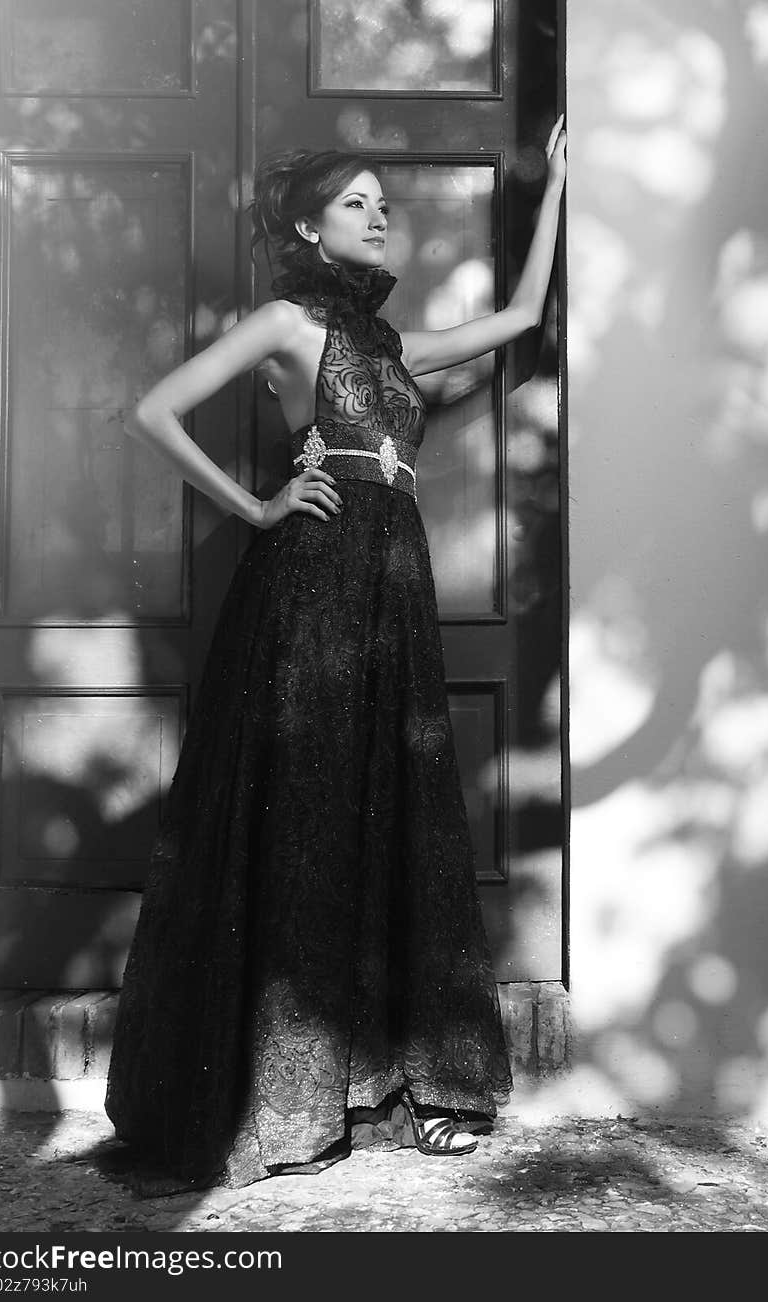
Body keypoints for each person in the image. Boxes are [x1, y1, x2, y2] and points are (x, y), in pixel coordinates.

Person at [104, 114, 567, 1192]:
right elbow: (150, 411)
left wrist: (555, 192)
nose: (377, 214)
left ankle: (389, 1084)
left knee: (382, 807)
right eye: (353, 203)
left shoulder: (391, 347)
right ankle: (275, 1101)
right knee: (302, 815)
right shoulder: (281, 323)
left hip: (390, 586)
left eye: (382, 202)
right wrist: (259, 505)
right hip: (308, 584)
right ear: (310, 230)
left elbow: (518, 316)